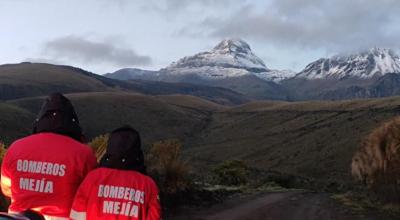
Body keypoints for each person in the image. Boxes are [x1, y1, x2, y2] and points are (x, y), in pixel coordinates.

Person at [1, 93, 97, 220]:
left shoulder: (16, 147)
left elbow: (6, 188)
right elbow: (90, 195)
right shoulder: (84, 154)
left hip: (19, 216)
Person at [70, 126, 161, 220]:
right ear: (138, 154)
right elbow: (154, 216)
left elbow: (77, 214)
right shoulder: (148, 185)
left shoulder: (93, 177)